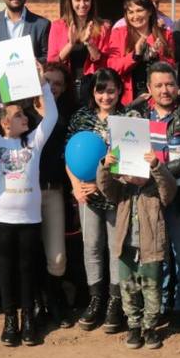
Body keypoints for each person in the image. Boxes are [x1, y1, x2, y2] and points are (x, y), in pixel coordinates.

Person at [126, 62, 180, 330]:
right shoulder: (136, 113)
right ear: (149, 89)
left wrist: (162, 170)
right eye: (159, 85)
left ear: (178, 86)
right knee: (156, 255)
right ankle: (159, 306)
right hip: (149, 196)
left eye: (170, 84)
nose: (165, 90)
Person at [0, 65, 58, 347]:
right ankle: (9, 320)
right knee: (6, 271)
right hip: (2, 218)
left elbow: (52, 117)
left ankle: (28, 320)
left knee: (27, 269)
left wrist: (43, 83)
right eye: (17, 115)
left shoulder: (34, 142)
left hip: (29, 218)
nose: (24, 117)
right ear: (4, 123)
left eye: (24, 114)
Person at [97, 146, 178, 350]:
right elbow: (105, 187)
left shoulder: (156, 188)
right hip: (126, 248)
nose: (134, 176)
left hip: (150, 249)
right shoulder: (122, 188)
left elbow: (169, 189)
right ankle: (133, 325)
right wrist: (105, 166)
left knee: (153, 290)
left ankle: (150, 327)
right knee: (128, 290)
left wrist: (156, 166)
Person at [67, 69, 125, 333]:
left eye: (111, 90)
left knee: (116, 248)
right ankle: (96, 298)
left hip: (116, 194)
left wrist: (103, 184)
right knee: (91, 245)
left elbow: (132, 160)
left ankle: (115, 300)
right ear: (93, 92)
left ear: (119, 91)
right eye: (100, 91)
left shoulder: (129, 118)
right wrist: (76, 186)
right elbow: (70, 155)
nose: (106, 96)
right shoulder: (81, 117)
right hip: (86, 195)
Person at [35, 63, 74, 328]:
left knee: (57, 257)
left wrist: (47, 107)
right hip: (26, 194)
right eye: (47, 81)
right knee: (31, 252)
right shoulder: (23, 111)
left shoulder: (67, 114)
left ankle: (55, 295)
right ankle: (40, 303)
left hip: (55, 190)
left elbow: (58, 130)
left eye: (57, 83)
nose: (52, 87)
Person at [105, 0, 176, 105]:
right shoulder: (118, 33)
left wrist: (157, 56)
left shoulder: (165, 34)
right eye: (131, 12)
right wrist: (135, 55)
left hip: (158, 98)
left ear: (149, 11)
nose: (135, 16)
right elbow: (113, 67)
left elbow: (171, 67)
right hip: (128, 98)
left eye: (139, 10)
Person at [46, 0, 110, 103]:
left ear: (92, 0)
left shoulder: (103, 27)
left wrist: (89, 42)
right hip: (65, 87)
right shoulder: (58, 25)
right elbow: (52, 61)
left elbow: (102, 61)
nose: (82, 4)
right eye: (77, 0)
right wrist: (70, 44)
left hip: (92, 86)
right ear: (70, 1)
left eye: (86, 0)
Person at [111, 0, 175, 30]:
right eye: (149, 1)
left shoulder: (167, 23)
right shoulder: (121, 25)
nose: (154, 5)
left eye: (157, 2)